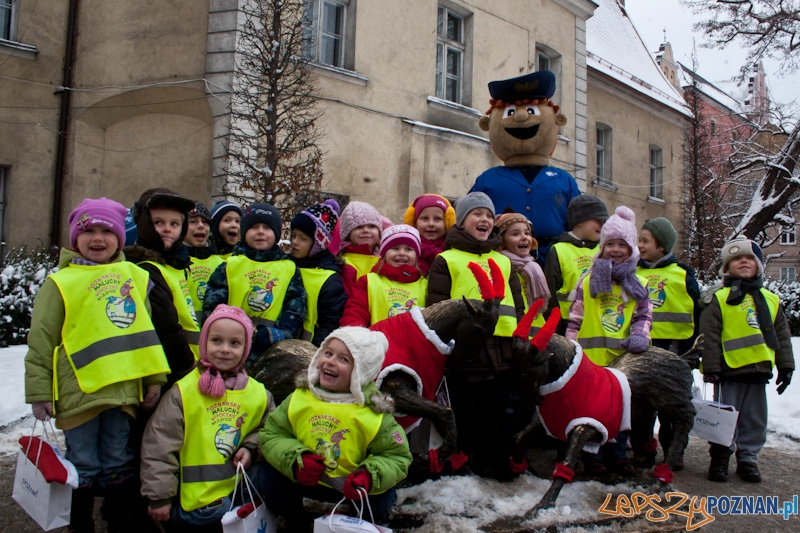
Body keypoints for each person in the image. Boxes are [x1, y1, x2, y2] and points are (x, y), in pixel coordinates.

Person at [25, 198, 170, 533]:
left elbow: (144, 333)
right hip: (79, 396)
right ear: (75, 237)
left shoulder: (133, 276)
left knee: (118, 461)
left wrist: (153, 380)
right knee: (84, 464)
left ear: (121, 238)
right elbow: (41, 341)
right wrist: (39, 392)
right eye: (88, 230)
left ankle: (119, 523)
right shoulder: (60, 282)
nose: (98, 238)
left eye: (107, 230)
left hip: (122, 394)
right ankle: (81, 525)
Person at [259, 327, 412, 529]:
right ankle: (296, 521)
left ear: (361, 372)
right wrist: (296, 460)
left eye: (344, 359)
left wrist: (369, 476)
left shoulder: (374, 413)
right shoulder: (300, 398)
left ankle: (357, 523)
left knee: (382, 498)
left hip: (352, 491)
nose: (330, 361)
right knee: (268, 476)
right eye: (328, 353)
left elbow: (397, 457)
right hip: (307, 481)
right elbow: (272, 434)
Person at [140, 304, 274, 529]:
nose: (224, 349)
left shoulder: (259, 393)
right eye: (216, 341)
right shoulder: (183, 392)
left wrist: (251, 448)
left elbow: (269, 430)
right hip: (195, 504)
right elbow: (159, 445)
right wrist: (159, 497)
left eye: (235, 343)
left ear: (246, 348)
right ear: (204, 342)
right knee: (216, 514)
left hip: (237, 491)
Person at [427, 192, 529, 480]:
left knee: (500, 410)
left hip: (505, 348)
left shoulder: (504, 261)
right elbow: (437, 307)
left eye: (488, 215)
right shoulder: (446, 260)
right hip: (468, 351)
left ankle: (497, 458)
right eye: (476, 214)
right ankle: (469, 459)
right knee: (469, 409)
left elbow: (518, 306)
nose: (484, 219)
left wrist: (521, 340)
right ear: (461, 221)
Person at [565, 205, 652, 475]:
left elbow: (643, 316)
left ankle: (617, 454)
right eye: (609, 243)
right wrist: (571, 348)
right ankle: (592, 455)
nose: (615, 249)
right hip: (590, 361)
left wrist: (640, 335)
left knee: (620, 410)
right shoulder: (588, 281)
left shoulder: (639, 284)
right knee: (591, 409)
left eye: (622, 244)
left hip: (622, 361)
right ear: (601, 247)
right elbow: (575, 318)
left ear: (632, 250)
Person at [700, 237, 794, 483]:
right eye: (736, 258)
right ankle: (720, 456)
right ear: (726, 267)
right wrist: (711, 367)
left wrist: (786, 366)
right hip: (728, 370)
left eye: (749, 258)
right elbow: (709, 336)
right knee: (725, 419)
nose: (743, 261)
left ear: (759, 265)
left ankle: (748, 459)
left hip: (759, 370)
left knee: (754, 419)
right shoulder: (718, 298)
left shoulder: (770, 299)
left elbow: (782, 336)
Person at [469, 70, 581, 263]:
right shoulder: (488, 180)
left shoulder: (563, 179)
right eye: (510, 112)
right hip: (502, 260)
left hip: (556, 260)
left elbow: (580, 223)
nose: (521, 117)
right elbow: (469, 218)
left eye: (532, 110)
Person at [202, 202, 306, 365]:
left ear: (276, 234)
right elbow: (211, 304)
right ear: (244, 233)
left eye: (266, 227)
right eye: (254, 227)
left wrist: (281, 333)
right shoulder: (230, 266)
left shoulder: (289, 269)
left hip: (271, 350)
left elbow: (295, 308)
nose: (260, 232)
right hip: (230, 348)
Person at [635, 216, 701, 471]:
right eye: (639, 240)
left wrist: (693, 350)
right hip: (643, 348)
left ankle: (674, 450)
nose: (639, 245)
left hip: (674, 349)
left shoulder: (682, 274)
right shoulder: (633, 272)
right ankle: (643, 449)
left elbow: (696, 312)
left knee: (672, 406)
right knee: (641, 405)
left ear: (661, 246)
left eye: (645, 241)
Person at [124, 188, 199, 377]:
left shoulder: (174, 265)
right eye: (158, 222)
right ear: (144, 224)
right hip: (174, 369)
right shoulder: (147, 269)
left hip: (190, 363)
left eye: (175, 223)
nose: (168, 229)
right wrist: (189, 368)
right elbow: (167, 330)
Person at [340, 224, 427, 328]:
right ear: (384, 254)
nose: (402, 253)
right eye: (395, 248)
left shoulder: (425, 285)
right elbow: (355, 311)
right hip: (377, 342)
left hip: (413, 343)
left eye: (408, 249)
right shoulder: (368, 282)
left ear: (416, 256)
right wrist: (356, 332)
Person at [544, 194, 608, 334]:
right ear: (580, 221)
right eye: (598, 220)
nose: (602, 225)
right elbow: (550, 294)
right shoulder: (559, 250)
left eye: (604, 221)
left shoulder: (604, 250)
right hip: (566, 325)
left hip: (599, 323)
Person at [290, 199, 347, 345]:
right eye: (293, 235)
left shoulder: (330, 279)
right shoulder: (285, 266)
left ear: (317, 244)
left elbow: (330, 323)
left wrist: (313, 349)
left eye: (303, 238)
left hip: (309, 350)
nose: (295, 242)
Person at [495, 211, 549, 336]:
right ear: (502, 241)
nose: (524, 237)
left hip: (537, 333)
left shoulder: (534, 268)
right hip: (513, 335)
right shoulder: (502, 267)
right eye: (515, 234)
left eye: (527, 233)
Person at [185, 201, 224, 315]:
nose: (201, 225)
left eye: (205, 222)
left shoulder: (222, 264)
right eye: (193, 221)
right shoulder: (176, 263)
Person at [336, 201, 383, 296]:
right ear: (348, 234)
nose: (366, 230)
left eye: (371, 226)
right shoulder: (345, 264)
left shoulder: (385, 259)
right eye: (359, 227)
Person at [402, 194, 456, 276]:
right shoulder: (404, 253)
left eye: (437, 219)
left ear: (447, 223)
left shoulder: (454, 252)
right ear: (414, 222)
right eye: (425, 218)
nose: (431, 224)